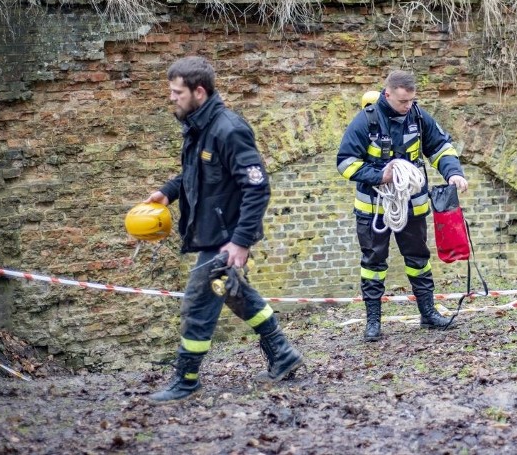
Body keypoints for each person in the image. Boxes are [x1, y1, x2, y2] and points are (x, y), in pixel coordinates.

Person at [145, 56, 303, 403]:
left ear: (198, 92)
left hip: (224, 238)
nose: (171, 98)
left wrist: (240, 242)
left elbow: (257, 188)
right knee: (235, 293)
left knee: (197, 306)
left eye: (177, 92)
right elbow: (196, 175)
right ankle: (282, 354)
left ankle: (186, 380)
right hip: (211, 233)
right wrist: (167, 193)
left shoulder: (229, 129)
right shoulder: (198, 127)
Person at [337, 70, 468, 342]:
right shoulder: (365, 121)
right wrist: (381, 176)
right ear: (387, 94)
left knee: (419, 260)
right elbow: (345, 163)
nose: (407, 106)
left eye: (411, 100)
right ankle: (373, 322)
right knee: (373, 263)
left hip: (412, 206)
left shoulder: (419, 117)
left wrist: (453, 172)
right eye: (401, 101)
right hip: (374, 209)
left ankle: (428, 313)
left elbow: (441, 148)